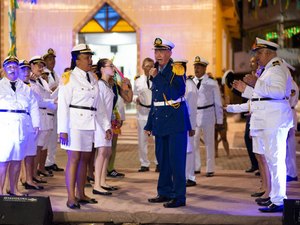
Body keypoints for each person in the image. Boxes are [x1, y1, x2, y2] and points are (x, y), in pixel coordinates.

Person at [227, 37, 293, 213]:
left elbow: (278, 92)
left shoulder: (277, 68)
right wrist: (246, 90)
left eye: (258, 54)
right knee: (272, 160)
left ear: (267, 52)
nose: (257, 58)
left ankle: (279, 200)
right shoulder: (269, 69)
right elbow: (261, 97)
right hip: (269, 118)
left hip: (274, 119)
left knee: (276, 160)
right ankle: (274, 197)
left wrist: (256, 83)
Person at [145, 37, 191, 208]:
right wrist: (149, 123)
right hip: (160, 122)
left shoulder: (177, 70)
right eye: (156, 51)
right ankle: (164, 192)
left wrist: (156, 78)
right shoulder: (156, 70)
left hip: (175, 122)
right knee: (162, 160)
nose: (158, 55)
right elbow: (155, 100)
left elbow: (174, 92)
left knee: (176, 161)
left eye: (162, 51)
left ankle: (179, 196)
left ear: (170, 52)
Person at [57, 44, 98, 209]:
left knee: (85, 160)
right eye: (86, 57)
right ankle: (71, 197)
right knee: (74, 159)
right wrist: (63, 130)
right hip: (74, 124)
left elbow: (97, 103)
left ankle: (81, 194)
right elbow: (63, 105)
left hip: (88, 122)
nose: (90, 60)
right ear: (77, 60)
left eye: (90, 56)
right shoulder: (69, 77)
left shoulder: (93, 77)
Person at [0, 56, 39, 196]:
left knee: (17, 159)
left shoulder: (25, 88)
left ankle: (14, 188)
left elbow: (33, 106)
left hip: (21, 125)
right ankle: (1, 190)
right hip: (4, 125)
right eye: (9, 66)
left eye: (15, 66)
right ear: (4, 69)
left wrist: (36, 124)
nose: (12, 69)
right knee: (3, 160)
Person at [192, 56, 223, 177]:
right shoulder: (190, 82)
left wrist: (219, 119)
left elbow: (218, 102)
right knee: (194, 142)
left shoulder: (212, 82)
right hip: (195, 114)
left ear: (205, 68)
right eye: (195, 66)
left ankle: (210, 168)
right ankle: (196, 166)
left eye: (199, 67)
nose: (196, 69)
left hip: (208, 114)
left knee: (209, 142)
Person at [29, 56, 56, 180]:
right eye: (38, 65)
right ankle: (32, 175)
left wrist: (53, 100)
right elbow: (36, 100)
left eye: (42, 66)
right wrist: (53, 102)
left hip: (47, 116)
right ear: (31, 66)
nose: (41, 68)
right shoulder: (29, 81)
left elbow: (47, 95)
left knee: (42, 147)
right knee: (36, 148)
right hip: (39, 115)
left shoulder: (42, 81)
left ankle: (36, 172)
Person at [18, 59, 44, 190]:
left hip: (31, 123)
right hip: (19, 122)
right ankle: (17, 181)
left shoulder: (31, 86)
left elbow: (37, 104)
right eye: (23, 69)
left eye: (28, 69)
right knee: (18, 154)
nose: (26, 72)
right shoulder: (14, 86)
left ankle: (28, 179)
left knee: (30, 152)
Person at [93, 58, 115, 196]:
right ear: (102, 68)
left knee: (107, 152)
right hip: (101, 123)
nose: (113, 68)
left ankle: (102, 181)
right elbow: (100, 108)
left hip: (107, 122)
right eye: (110, 66)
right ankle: (96, 184)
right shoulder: (100, 85)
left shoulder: (108, 85)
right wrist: (106, 126)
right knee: (102, 152)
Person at [107, 69, 133, 178]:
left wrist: (129, 86)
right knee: (101, 147)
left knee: (112, 146)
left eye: (115, 74)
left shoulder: (116, 87)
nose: (114, 76)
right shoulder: (101, 85)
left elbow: (129, 99)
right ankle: (97, 169)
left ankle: (110, 168)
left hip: (114, 119)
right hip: (104, 119)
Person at [133, 57, 158, 172]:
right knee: (142, 140)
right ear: (143, 67)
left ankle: (159, 163)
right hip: (142, 112)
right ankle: (144, 163)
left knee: (157, 139)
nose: (149, 68)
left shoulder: (157, 79)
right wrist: (136, 99)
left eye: (151, 66)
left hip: (155, 112)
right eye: (147, 66)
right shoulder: (138, 81)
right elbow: (133, 94)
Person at [43, 48, 64, 173]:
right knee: (47, 137)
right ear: (44, 61)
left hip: (56, 108)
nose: (52, 61)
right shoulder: (44, 74)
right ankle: (45, 163)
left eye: (53, 59)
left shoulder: (56, 74)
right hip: (47, 107)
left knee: (53, 137)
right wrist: (53, 87)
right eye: (49, 59)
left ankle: (51, 161)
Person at [182, 59, 197, 187]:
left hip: (187, 124)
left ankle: (190, 177)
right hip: (180, 123)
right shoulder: (179, 83)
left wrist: (191, 126)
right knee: (184, 150)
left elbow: (191, 108)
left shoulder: (189, 85)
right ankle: (184, 176)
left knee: (189, 150)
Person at [286, 78, 299, 182]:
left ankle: (292, 173)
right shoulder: (289, 83)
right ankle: (289, 171)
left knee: (289, 146)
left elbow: (289, 99)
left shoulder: (291, 84)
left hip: (288, 113)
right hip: (288, 113)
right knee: (287, 146)